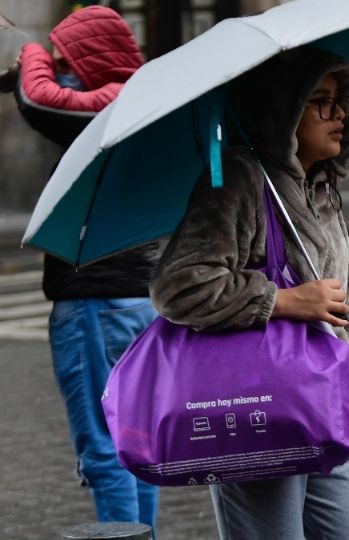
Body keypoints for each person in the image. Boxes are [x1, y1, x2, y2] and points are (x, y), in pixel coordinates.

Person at [149, 48, 349, 539]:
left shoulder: (322, 189)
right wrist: (285, 300)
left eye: (341, 101)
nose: (338, 114)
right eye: (320, 101)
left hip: (328, 406)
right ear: (284, 111)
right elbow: (178, 285)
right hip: (260, 405)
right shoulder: (241, 178)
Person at [1, 6, 161, 529]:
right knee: (135, 447)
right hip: (131, 300)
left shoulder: (114, 104)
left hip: (97, 303)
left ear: (91, 60)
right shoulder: (140, 101)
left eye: (65, 62)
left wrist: (27, 51)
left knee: (105, 449)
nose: (59, 72)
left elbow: (39, 99)